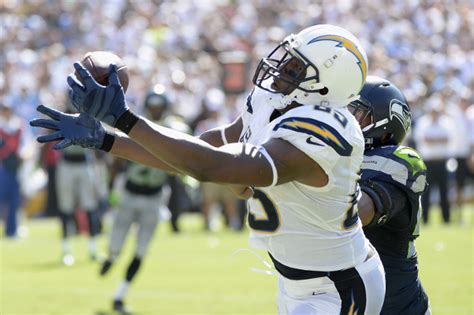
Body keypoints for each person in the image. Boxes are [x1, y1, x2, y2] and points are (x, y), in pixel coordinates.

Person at [31, 24, 386, 314]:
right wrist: (107, 140)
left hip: (338, 286)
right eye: (287, 59)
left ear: (326, 84)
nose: (280, 70)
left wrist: (125, 120)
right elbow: (202, 147)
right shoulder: (274, 101)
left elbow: (210, 166)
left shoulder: (329, 128)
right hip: (295, 281)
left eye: (295, 68)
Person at [349, 76, 430, 314]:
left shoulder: (399, 161)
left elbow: (359, 213)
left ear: (384, 127)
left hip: (399, 306)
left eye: (355, 113)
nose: (343, 120)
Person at [101, 155, 170, 314]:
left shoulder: (172, 134)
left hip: (154, 198)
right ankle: (111, 257)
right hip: (129, 195)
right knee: (115, 245)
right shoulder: (137, 134)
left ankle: (119, 295)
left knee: (141, 251)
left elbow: (179, 170)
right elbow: (116, 161)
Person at [413, 97, 456, 224]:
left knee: (444, 191)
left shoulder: (446, 122)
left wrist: (433, 139)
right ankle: (425, 219)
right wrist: (438, 139)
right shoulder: (423, 122)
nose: (434, 113)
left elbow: (448, 139)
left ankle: (446, 219)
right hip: (428, 162)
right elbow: (423, 140)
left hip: (442, 161)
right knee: (426, 192)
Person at [0, 102, 24, 238]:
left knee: (14, 200)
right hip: (2, 166)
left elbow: (25, 146)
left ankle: (12, 230)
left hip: (15, 167)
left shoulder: (18, 126)